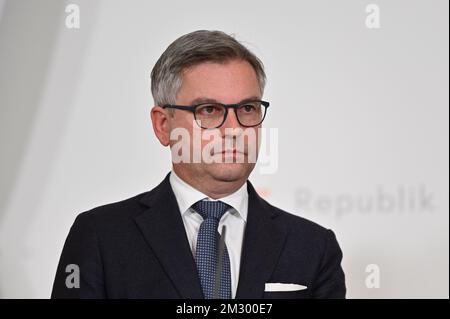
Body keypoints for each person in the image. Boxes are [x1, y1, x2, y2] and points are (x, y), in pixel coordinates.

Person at [51, 30, 346, 299]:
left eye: (247, 108)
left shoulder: (313, 247)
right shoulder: (100, 237)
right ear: (163, 125)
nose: (234, 129)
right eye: (209, 110)